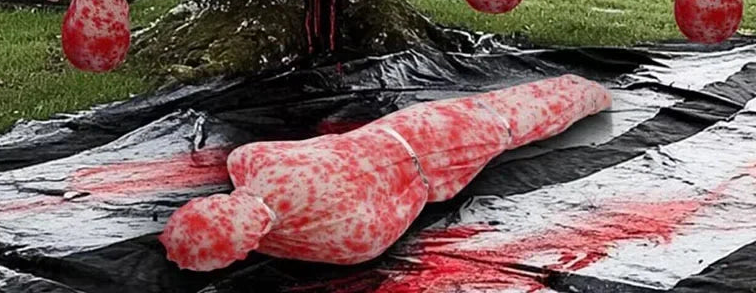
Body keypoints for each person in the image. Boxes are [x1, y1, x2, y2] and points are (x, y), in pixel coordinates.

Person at [161, 74, 611, 270]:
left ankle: (590, 93)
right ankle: (582, 92)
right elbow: (249, 156)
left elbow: (405, 205)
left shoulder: (345, 238)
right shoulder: (254, 165)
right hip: (409, 131)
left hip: (435, 154)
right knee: (497, 113)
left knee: (507, 122)